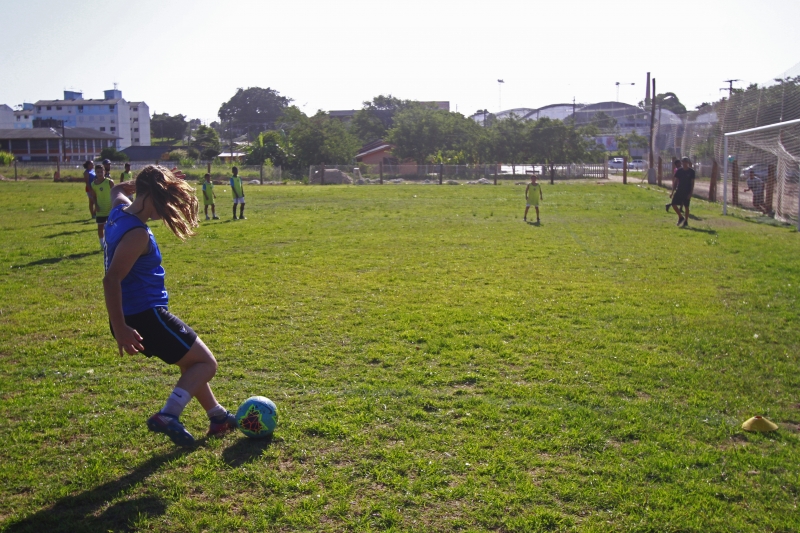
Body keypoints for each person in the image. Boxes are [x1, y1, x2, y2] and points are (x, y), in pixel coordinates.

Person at [102, 165, 237, 446]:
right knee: (205, 363)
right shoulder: (137, 233)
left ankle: (218, 416)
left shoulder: (118, 212)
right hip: (144, 317)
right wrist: (121, 328)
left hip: (134, 318)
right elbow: (111, 280)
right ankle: (168, 414)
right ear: (149, 194)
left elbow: (117, 190)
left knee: (190, 363)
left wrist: (146, 182)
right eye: (162, 200)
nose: (164, 210)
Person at [91, 164, 114, 248]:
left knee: (110, 227)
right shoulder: (93, 184)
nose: (100, 173)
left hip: (110, 208)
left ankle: (110, 242)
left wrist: (115, 204)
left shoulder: (109, 182)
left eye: (101, 171)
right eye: (98, 172)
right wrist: (96, 206)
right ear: (95, 173)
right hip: (100, 209)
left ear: (104, 172)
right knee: (100, 227)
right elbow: (94, 196)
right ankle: (102, 244)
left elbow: (115, 193)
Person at [670, 157, 695, 227]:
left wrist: (690, 193)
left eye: (686, 162)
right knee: (673, 204)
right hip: (679, 190)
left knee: (686, 206)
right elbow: (675, 181)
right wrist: (672, 192)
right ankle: (681, 217)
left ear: (688, 163)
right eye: (683, 162)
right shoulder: (679, 171)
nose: (684, 163)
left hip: (687, 191)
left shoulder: (691, 172)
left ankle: (686, 221)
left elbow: (692, 183)